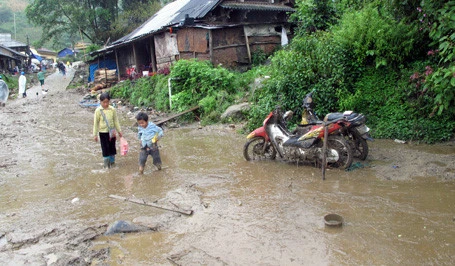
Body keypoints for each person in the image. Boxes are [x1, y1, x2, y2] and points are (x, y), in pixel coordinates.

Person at [93, 92, 123, 168]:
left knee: (112, 147)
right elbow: (96, 123)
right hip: (103, 133)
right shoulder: (98, 111)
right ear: (100, 102)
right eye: (104, 102)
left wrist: (119, 131)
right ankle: (106, 164)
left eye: (107, 102)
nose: (106, 104)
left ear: (109, 101)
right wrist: (95, 134)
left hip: (112, 132)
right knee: (105, 148)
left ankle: (112, 163)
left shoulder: (112, 109)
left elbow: (116, 120)